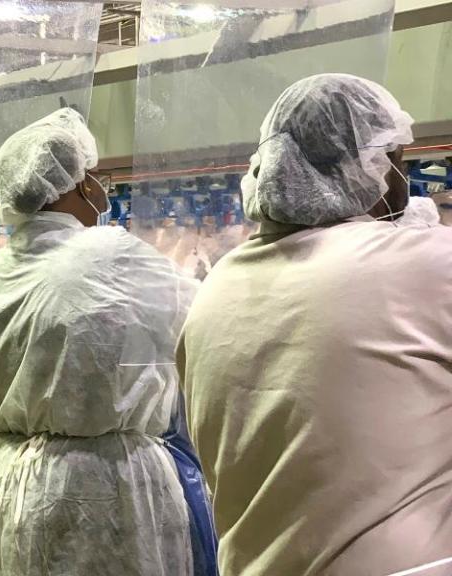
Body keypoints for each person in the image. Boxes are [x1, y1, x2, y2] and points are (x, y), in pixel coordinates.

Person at [176, 74, 452, 576]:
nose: (402, 179)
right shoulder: (422, 264)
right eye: (399, 160)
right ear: (371, 166)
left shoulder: (216, 288)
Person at [0, 108, 216, 576]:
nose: (100, 188)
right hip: (103, 489)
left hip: (7, 487)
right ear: (80, 185)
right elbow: (206, 319)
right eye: (92, 175)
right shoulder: (108, 255)